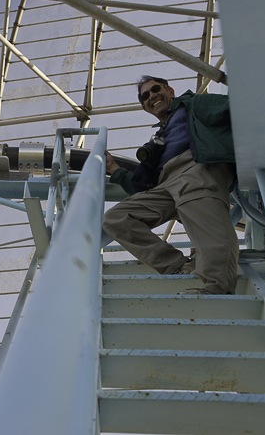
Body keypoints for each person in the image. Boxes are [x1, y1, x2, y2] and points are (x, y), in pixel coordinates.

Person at [102, 76, 239, 295]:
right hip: (165, 183)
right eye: (145, 96)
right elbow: (142, 185)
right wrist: (114, 169)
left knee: (210, 230)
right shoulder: (161, 135)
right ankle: (177, 267)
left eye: (156, 89)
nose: (152, 96)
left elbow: (235, 108)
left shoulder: (193, 105)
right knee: (117, 218)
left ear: (171, 91)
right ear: (145, 107)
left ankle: (217, 288)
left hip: (195, 168)